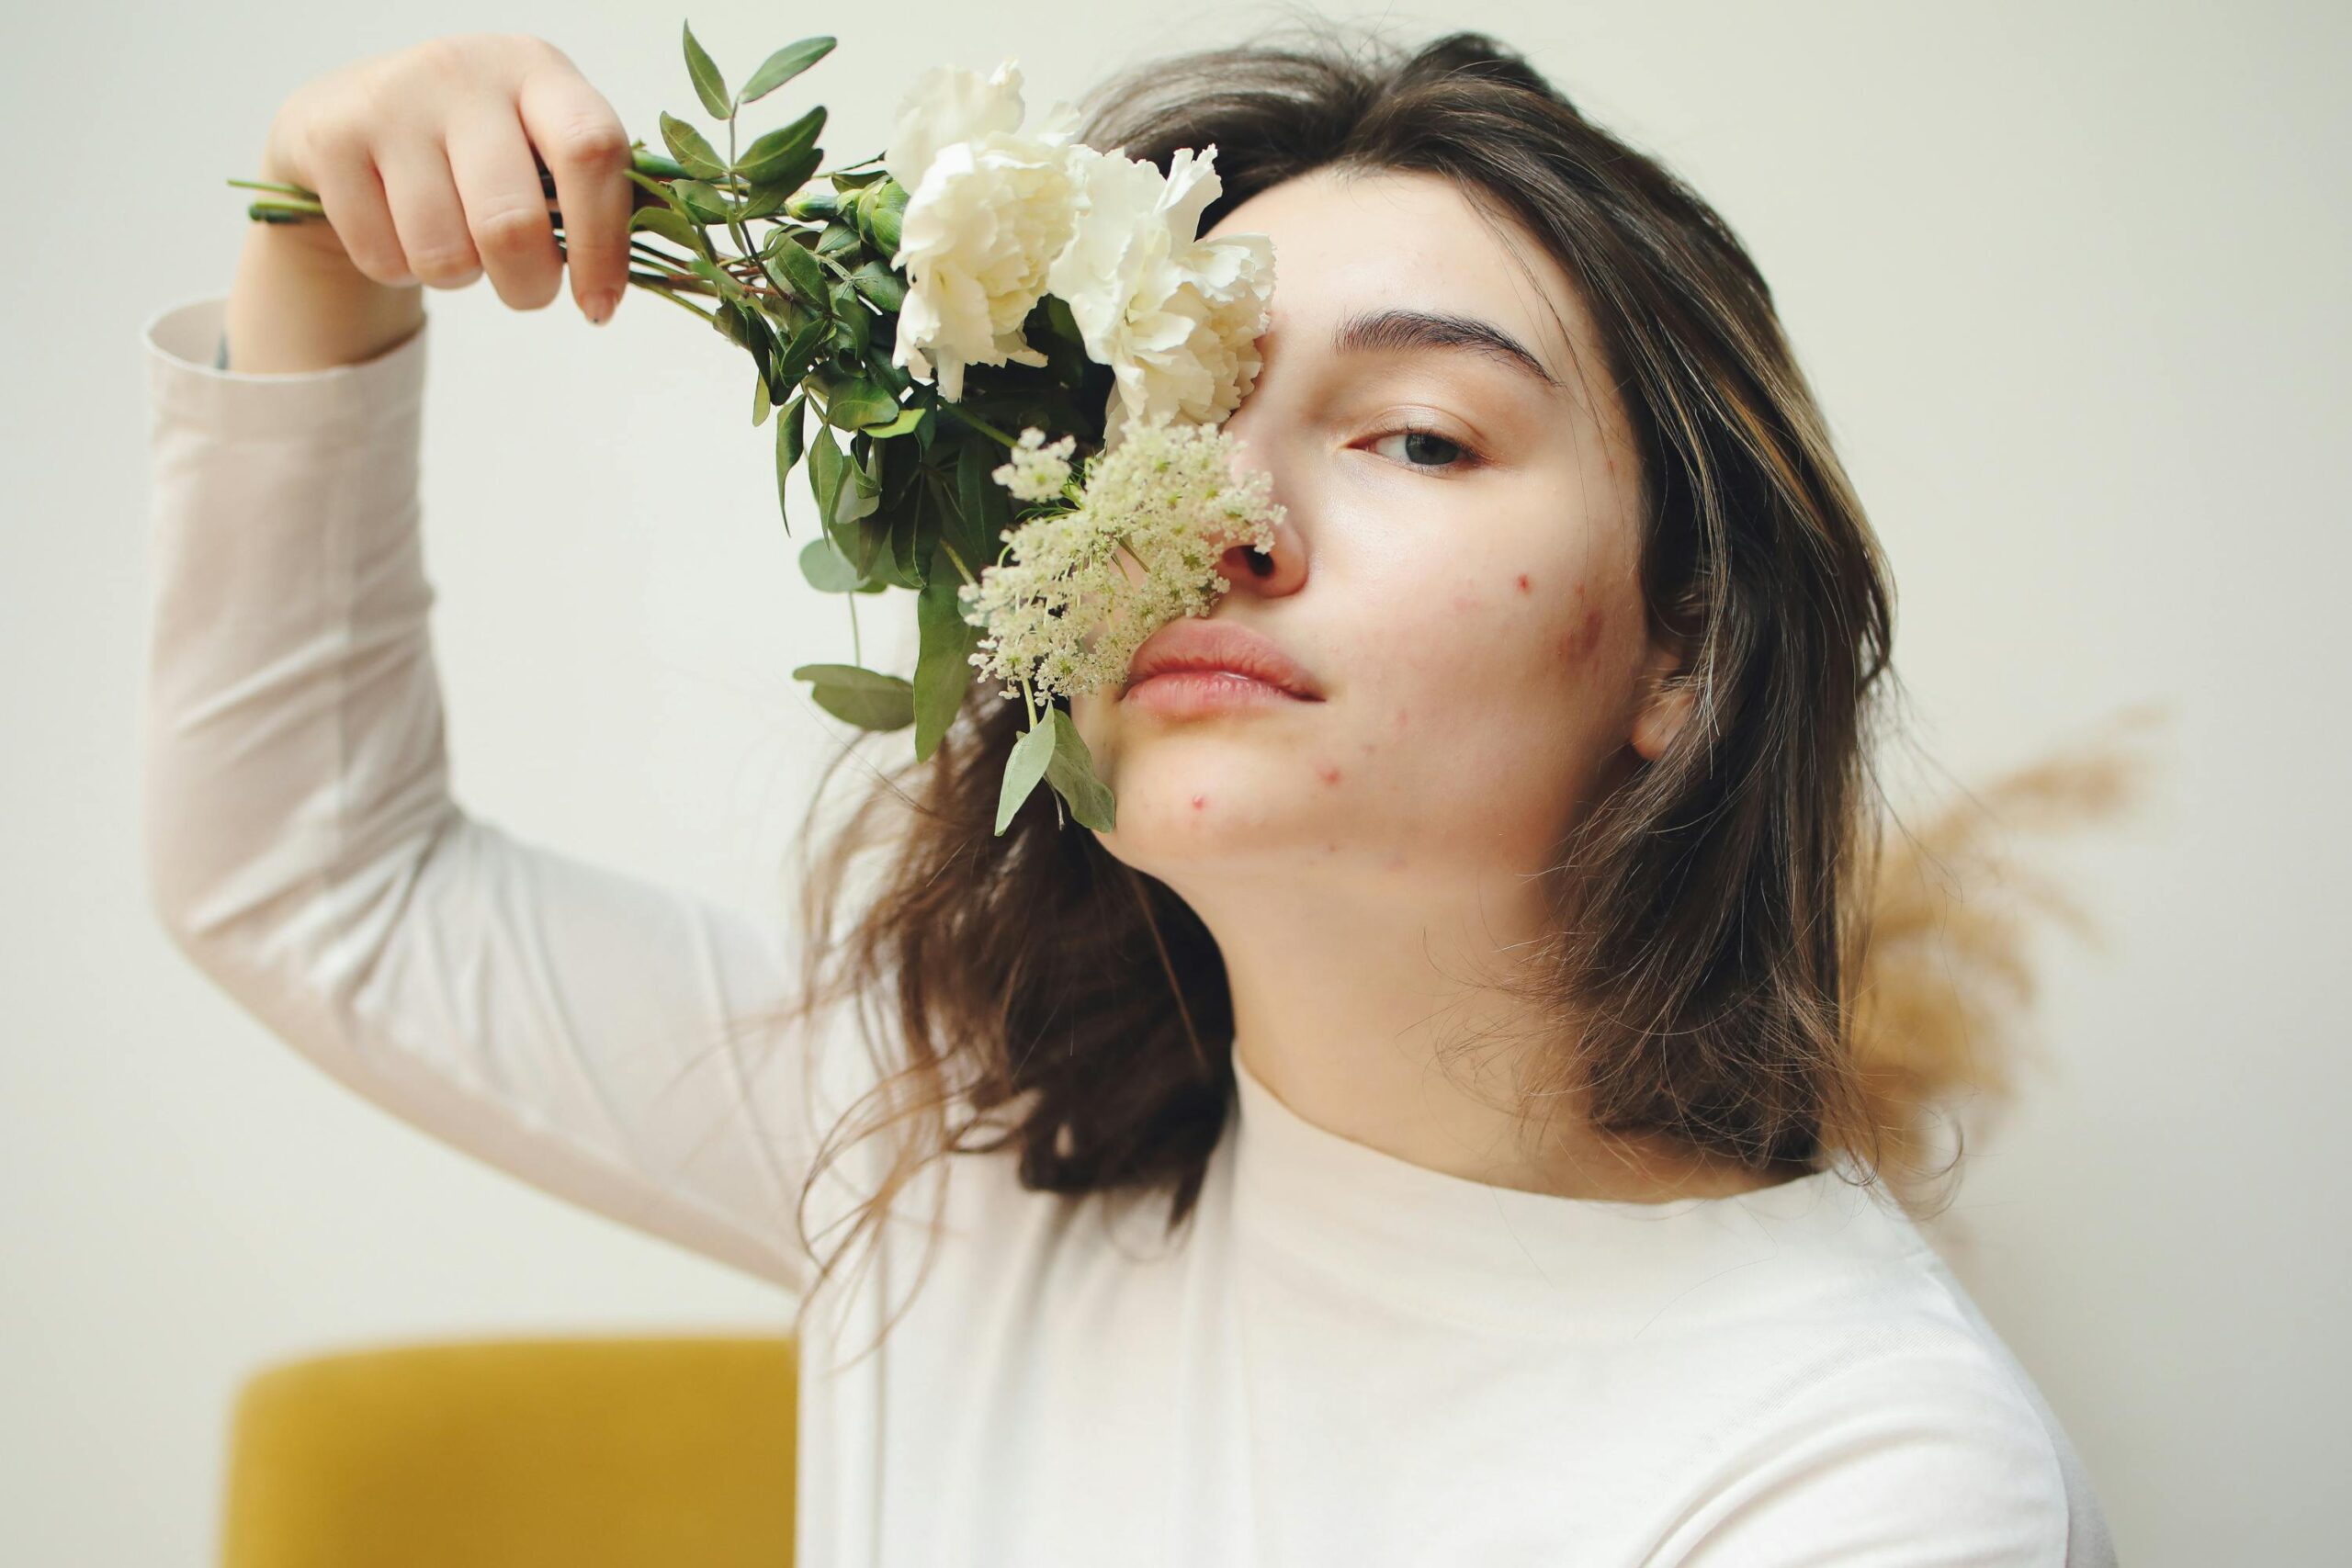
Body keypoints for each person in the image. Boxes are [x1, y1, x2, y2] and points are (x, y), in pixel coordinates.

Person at [138, 23, 2120, 1565]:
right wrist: (322, 263)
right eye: (1161, 421)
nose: (1220, 517)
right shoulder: (956, 1161)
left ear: (1679, 650)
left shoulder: (1864, 1470)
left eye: (1418, 437)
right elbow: (316, 880)